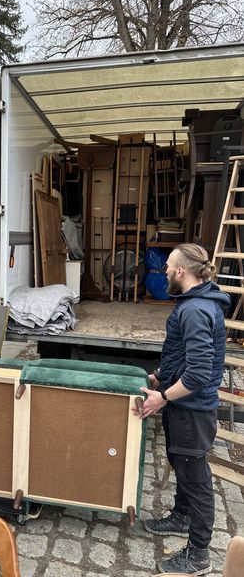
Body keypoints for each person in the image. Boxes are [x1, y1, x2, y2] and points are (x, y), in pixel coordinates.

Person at [135, 243, 229, 575]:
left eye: (167, 268)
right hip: (185, 405)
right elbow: (183, 356)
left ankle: (198, 555)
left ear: (179, 272)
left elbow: (199, 372)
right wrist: (158, 376)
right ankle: (182, 515)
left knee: (196, 477)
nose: (163, 274)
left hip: (192, 410)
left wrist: (163, 397)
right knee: (182, 464)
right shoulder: (195, 304)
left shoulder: (194, 309)